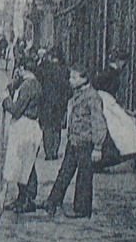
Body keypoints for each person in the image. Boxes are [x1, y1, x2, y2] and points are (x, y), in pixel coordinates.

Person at [42, 65, 107, 218]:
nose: (70, 80)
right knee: (64, 172)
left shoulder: (92, 97)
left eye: (74, 77)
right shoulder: (78, 94)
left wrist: (98, 147)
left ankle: (82, 209)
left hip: (85, 142)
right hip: (74, 141)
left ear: (84, 79)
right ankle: (52, 201)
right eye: (71, 77)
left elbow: (98, 123)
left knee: (84, 177)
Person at [0, 64, 43, 210]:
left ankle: (28, 200)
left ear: (22, 68)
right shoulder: (30, 83)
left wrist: (6, 100)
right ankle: (22, 198)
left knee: (26, 165)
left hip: (26, 126)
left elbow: (16, 110)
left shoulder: (28, 86)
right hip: (25, 126)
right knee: (22, 163)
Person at [36, 48, 71, 160]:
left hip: (45, 103)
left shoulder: (43, 69)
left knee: (47, 128)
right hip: (59, 104)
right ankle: (55, 152)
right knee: (57, 128)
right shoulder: (65, 70)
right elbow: (68, 89)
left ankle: (48, 153)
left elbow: (38, 84)